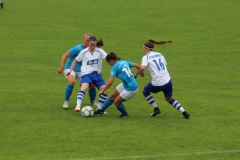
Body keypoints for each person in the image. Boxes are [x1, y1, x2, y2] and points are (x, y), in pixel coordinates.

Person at [134, 39, 190, 119]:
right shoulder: (159, 54)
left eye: (143, 48)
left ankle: (156, 109)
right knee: (169, 99)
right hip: (167, 80)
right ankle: (184, 112)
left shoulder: (145, 57)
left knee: (144, 90)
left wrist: (135, 74)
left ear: (146, 48)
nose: (143, 50)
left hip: (158, 83)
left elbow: (143, 67)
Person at [94, 52, 144, 118]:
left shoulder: (115, 67)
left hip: (131, 88)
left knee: (116, 102)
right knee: (112, 96)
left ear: (111, 61)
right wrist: (141, 72)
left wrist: (102, 90)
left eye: (108, 63)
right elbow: (137, 65)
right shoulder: (123, 62)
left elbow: (110, 82)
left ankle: (125, 115)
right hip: (126, 83)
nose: (109, 65)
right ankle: (101, 110)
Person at [67, 36, 108, 113]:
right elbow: (75, 60)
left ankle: (99, 109)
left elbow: (107, 58)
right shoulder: (83, 52)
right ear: (88, 43)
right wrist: (70, 70)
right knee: (84, 87)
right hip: (86, 74)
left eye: (94, 45)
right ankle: (78, 106)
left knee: (105, 89)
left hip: (96, 74)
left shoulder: (100, 51)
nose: (93, 47)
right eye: (91, 45)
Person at [57, 33, 98, 109]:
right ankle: (66, 101)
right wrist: (61, 67)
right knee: (72, 82)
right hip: (70, 68)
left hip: (82, 71)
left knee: (92, 85)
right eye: (86, 41)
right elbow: (65, 55)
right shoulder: (78, 49)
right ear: (83, 40)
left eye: (89, 41)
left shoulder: (92, 50)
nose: (88, 43)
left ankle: (92, 101)